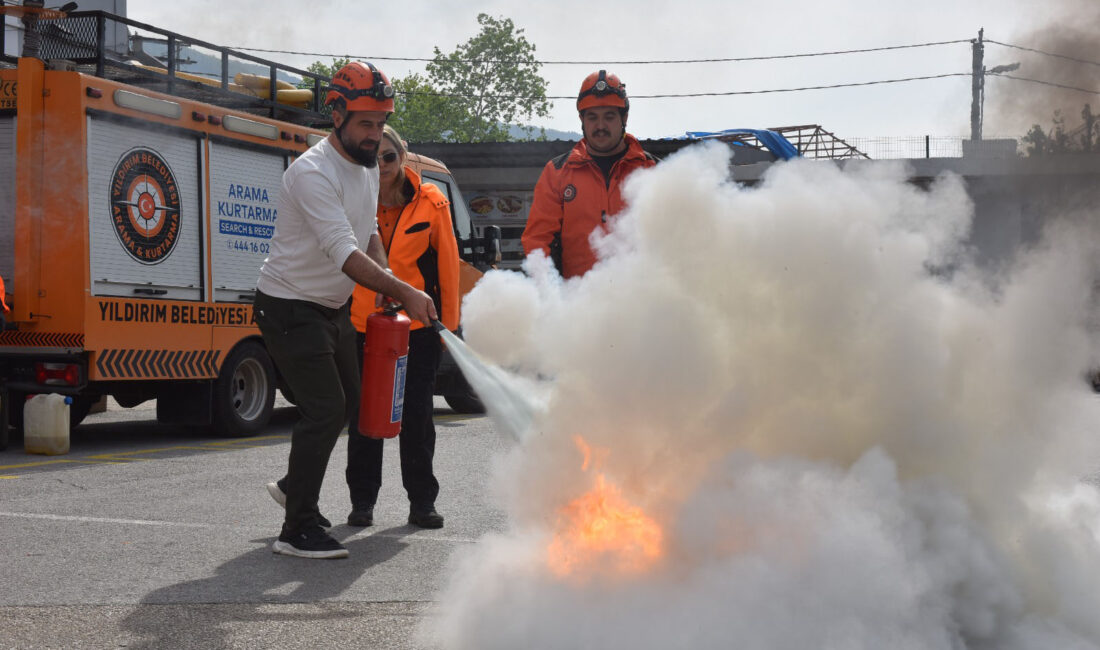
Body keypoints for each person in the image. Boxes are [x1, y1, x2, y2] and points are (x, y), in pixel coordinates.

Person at [254, 61, 437, 560]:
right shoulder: (312, 173)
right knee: (326, 409)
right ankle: (297, 530)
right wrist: (405, 288)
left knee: (354, 405)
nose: (375, 136)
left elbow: (367, 233)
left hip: (329, 308)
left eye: (381, 124)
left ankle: (296, 484)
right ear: (335, 114)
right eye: (365, 123)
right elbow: (343, 252)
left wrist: (386, 286)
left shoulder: (363, 166)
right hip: (289, 306)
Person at [344, 124, 461, 529]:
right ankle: (362, 502)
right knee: (364, 418)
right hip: (362, 326)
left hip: (417, 329)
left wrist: (448, 328)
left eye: (389, 157)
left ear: (403, 156)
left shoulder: (433, 202)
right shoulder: (354, 200)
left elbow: (447, 270)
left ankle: (422, 502)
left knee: (417, 416)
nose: (382, 165)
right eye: (373, 158)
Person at [521, 70, 658, 279]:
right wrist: (548, 295)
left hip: (641, 302)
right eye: (592, 117)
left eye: (609, 117)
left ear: (624, 118)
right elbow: (538, 243)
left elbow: (676, 239)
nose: (600, 126)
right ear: (581, 119)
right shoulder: (557, 172)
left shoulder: (652, 170)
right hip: (578, 304)